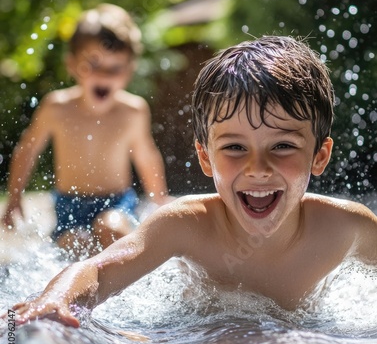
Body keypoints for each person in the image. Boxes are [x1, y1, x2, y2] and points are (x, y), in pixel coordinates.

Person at [8, 36, 377, 327]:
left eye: (282, 145)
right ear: (205, 157)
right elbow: (99, 269)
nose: (258, 167)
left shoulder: (345, 228)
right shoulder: (186, 225)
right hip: (199, 342)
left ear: (319, 156)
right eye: (234, 147)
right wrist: (57, 298)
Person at [1, 4, 170, 256]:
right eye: (93, 64)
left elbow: (146, 156)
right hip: (69, 204)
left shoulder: (133, 110)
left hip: (117, 202)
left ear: (129, 70)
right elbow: (28, 149)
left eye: (115, 68)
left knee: (112, 229)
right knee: (74, 244)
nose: (104, 75)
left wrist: (160, 201)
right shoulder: (57, 108)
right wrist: (14, 198)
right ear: (72, 64)